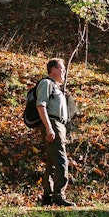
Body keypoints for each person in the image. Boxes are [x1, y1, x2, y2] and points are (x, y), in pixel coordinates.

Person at [32, 58, 76, 207]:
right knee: (61, 160)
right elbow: (41, 106)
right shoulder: (46, 84)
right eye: (61, 69)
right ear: (53, 69)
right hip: (53, 124)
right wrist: (49, 128)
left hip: (59, 126)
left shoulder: (57, 88)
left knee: (52, 162)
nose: (64, 72)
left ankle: (48, 196)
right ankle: (59, 195)